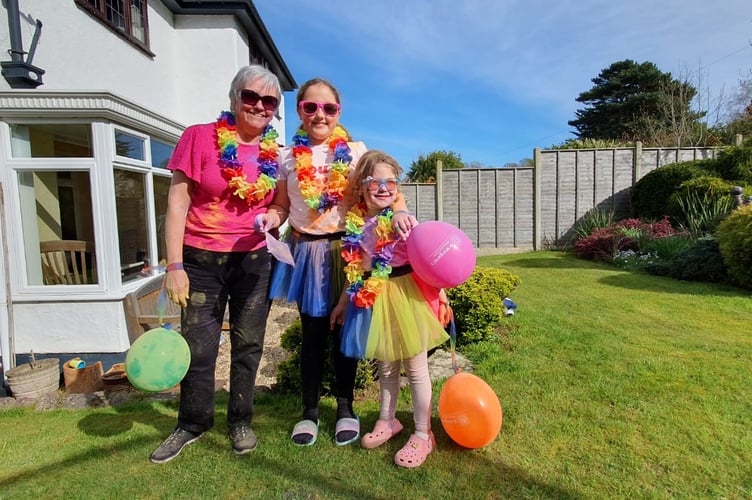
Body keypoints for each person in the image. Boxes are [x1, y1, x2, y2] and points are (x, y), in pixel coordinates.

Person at [257, 78, 414, 447]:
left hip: (351, 251)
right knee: (312, 335)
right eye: (310, 107)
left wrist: (402, 212)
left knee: (347, 333)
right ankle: (308, 412)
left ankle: (346, 408)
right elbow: (281, 205)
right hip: (307, 253)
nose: (319, 114)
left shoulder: (356, 150)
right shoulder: (286, 156)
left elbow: (390, 189)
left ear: (339, 112)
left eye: (328, 108)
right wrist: (271, 218)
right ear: (299, 111)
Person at [150, 65, 288, 464]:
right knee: (200, 346)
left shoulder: (275, 155)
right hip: (200, 260)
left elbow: (280, 205)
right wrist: (173, 265)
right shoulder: (198, 137)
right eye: (251, 97)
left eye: (268, 102)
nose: (259, 106)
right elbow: (177, 202)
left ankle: (240, 420)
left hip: (254, 260)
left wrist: (274, 219)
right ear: (233, 98)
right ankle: (193, 422)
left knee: (248, 343)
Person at [331, 150, 450, 468]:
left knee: (414, 368)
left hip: (405, 296)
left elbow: (428, 260)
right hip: (375, 298)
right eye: (375, 181)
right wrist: (343, 302)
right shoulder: (356, 223)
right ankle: (388, 420)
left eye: (391, 181)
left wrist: (442, 298)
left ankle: (424, 433)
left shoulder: (402, 221)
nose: (384, 187)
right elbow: (355, 269)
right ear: (361, 185)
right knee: (385, 367)